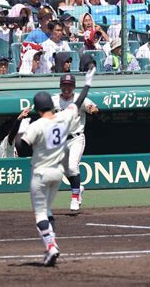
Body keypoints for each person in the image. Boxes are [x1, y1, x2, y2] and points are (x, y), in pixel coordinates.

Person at [15, 66, 96, 267]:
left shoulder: (36, 125)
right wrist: (87, 83)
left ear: (37, 108)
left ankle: (51, 246)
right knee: (48, 211)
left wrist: (21, 126)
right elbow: (77, 102)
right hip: (57, 174)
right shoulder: (64, 118)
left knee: (40, 214)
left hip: (41, 174)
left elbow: (21, 149)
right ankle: (51, 244)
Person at [51, 73, 99, 211]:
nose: (67, 88)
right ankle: (79, 188)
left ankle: (75, 197)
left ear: (74, 86)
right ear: (60, 86)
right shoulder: (54, 100)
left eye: (70, 85)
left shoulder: (80, 99)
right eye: (65, 85)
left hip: (76, 138)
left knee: (73, 167)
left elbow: (92, 107)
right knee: (65, 171)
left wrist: (93, 109)